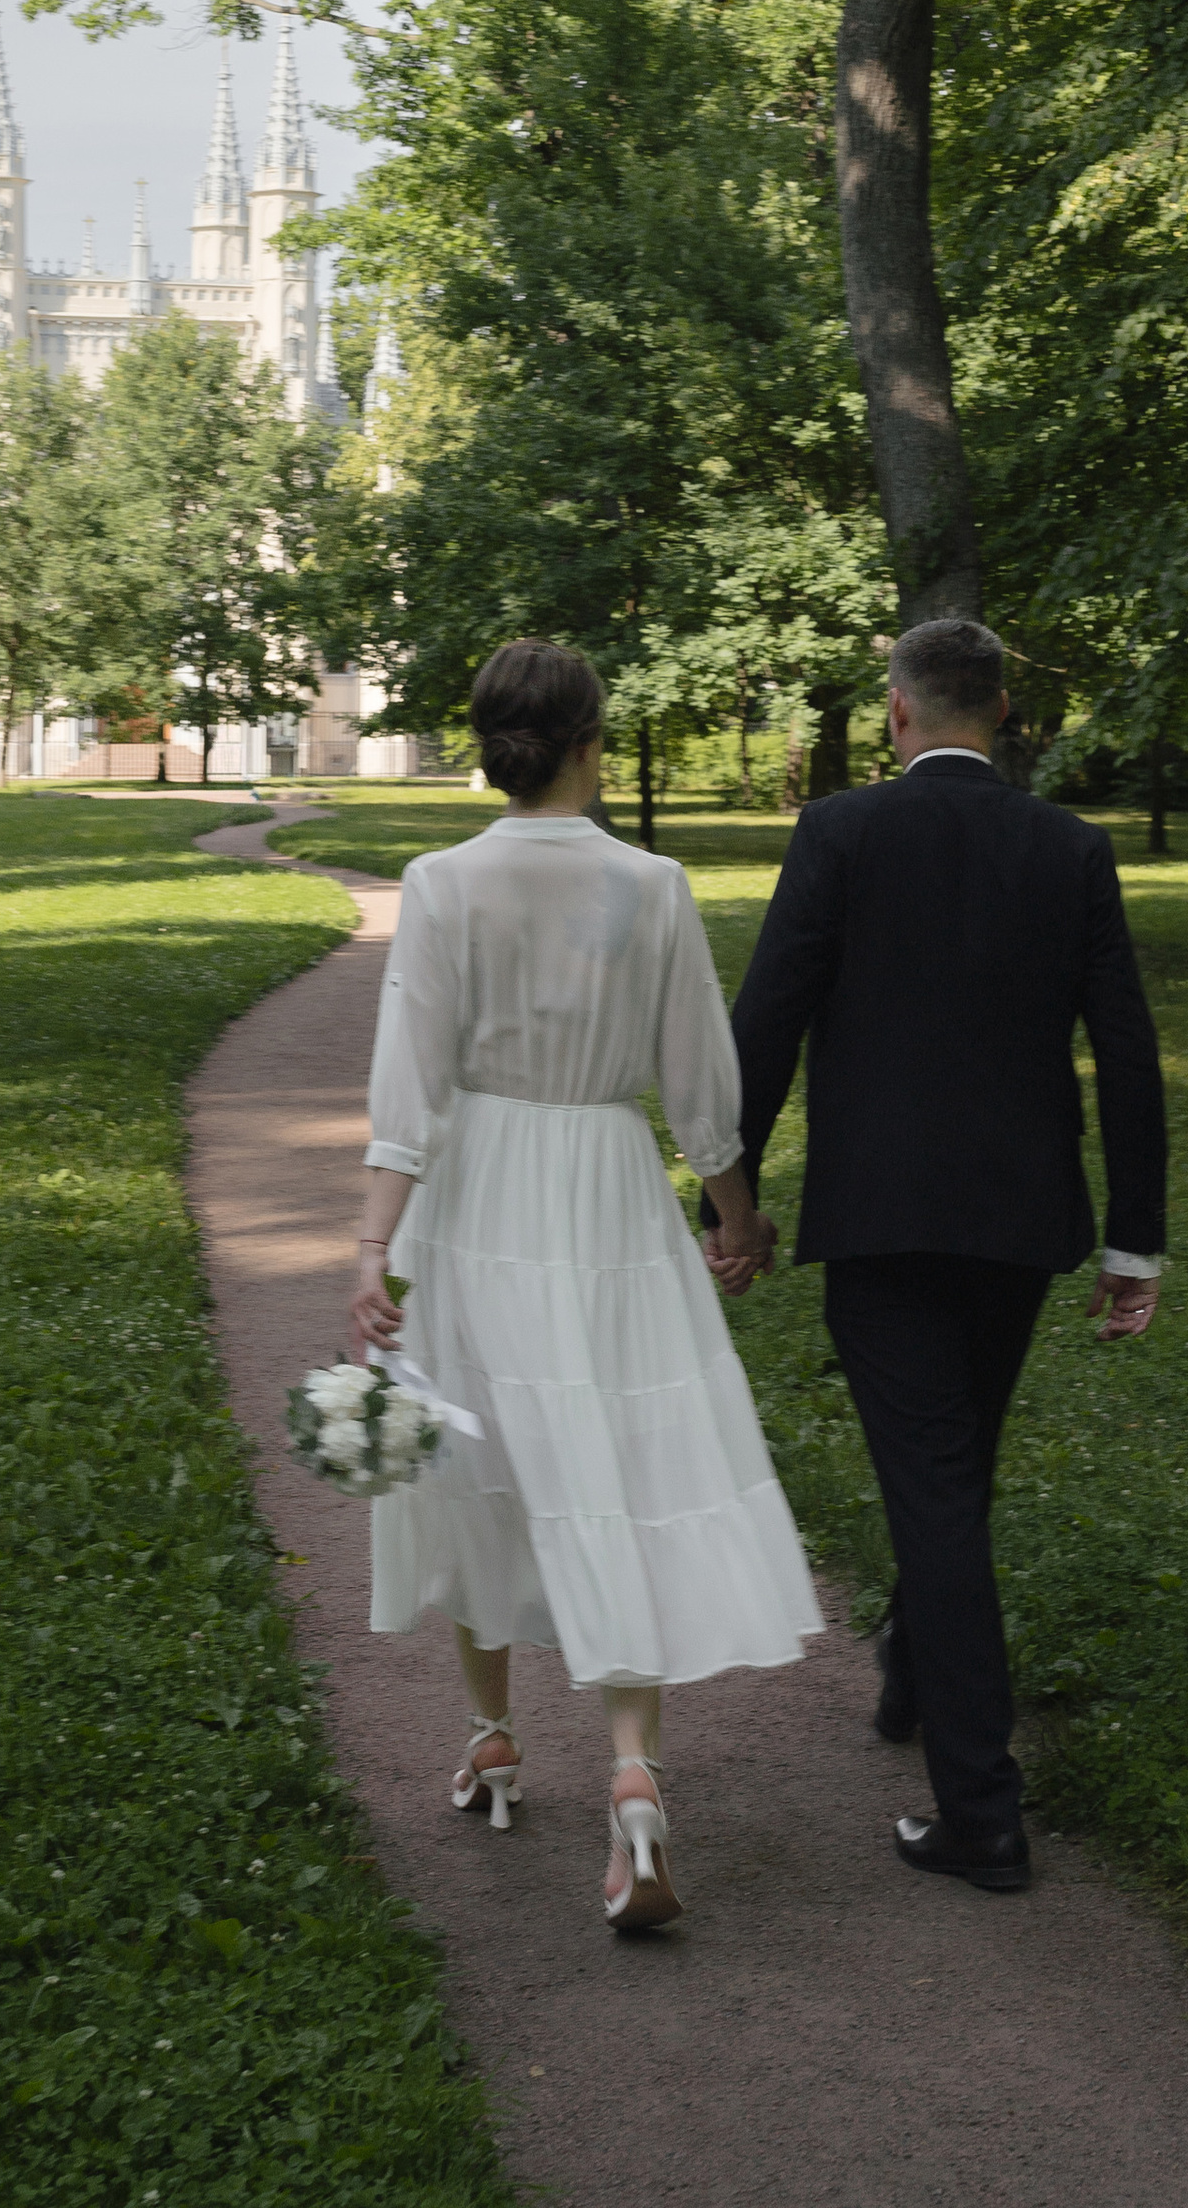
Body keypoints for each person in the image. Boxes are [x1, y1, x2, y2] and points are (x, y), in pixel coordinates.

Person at [351, 639, 822, 1930]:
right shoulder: (649, 885)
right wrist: (737, 1222)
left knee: (477, 1462)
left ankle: (493, 1735)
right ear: (588, 742)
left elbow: (410, 1086)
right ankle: (633, 1776)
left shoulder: (442, 885)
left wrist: (367, 1252)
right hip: (608, 1186)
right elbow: (699, 1088)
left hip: (480, 1191)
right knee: (614, 1464)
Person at [705, 617, 1167, 1894]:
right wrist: (1134, 1238)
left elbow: (767, 1024)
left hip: (883, 1219)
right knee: (954, 1465)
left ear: (897, 714)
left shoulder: (840, 832)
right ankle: (914, 1680)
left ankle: (982, 1813)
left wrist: (725, 1202)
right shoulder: (1067, 848)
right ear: (1004, 712)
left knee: (939, 1485)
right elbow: (1123, 1048)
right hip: (1020, 1225)